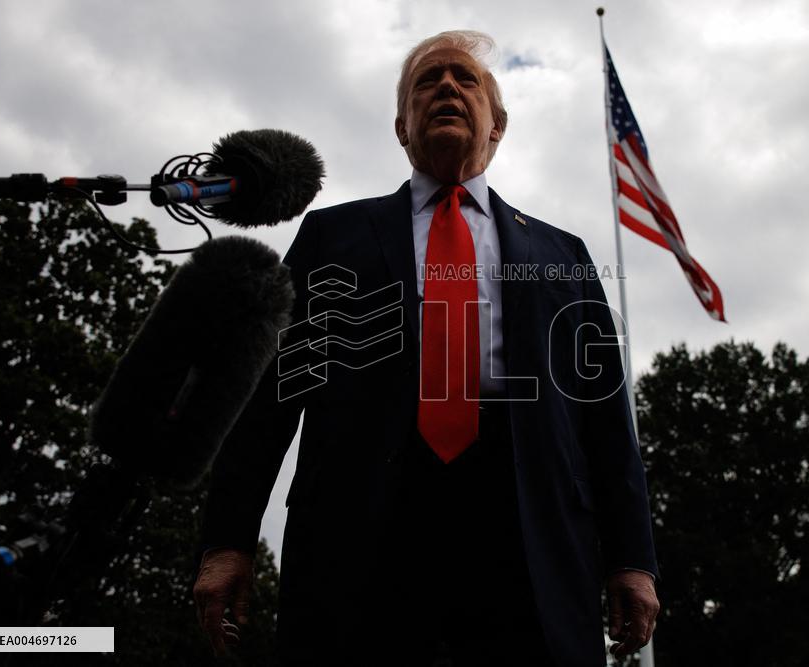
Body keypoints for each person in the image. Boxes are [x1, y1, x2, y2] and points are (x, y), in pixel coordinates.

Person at [193, 30, 660, 666]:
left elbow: (605, 418)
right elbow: (273, 393)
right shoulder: (332, 235)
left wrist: (632, 557)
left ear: (498, 126)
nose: (446, 87)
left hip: (531, 535)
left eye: (465, 80)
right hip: (361, 533)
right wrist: (228, 540)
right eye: (427, 81)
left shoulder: (562, 254)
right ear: (401, 127)